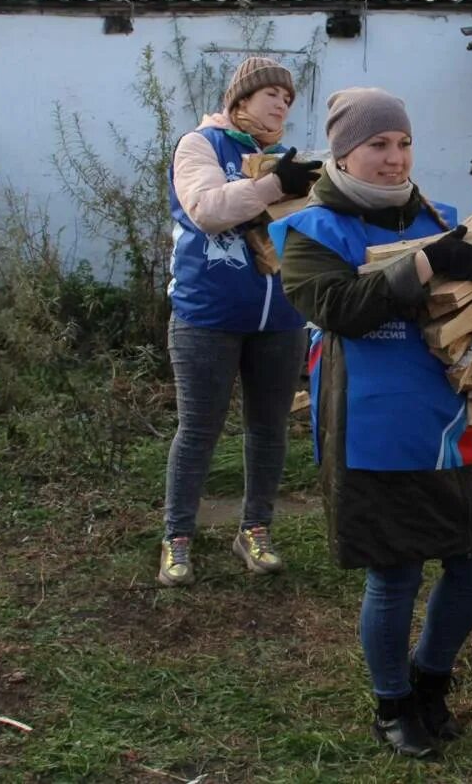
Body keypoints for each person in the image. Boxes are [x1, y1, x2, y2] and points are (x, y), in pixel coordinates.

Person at [269, 87, 472, 759]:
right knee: (396, 574)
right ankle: (391, 703)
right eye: (378, 145)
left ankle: (430, 678)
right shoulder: (311, 232)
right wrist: (429, 260)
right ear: (343, 153)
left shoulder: (439, 219)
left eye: (403, 142)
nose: (394, 157)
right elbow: (341, 308)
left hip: (452, 418)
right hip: (375, 424)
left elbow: (470, 315)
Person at [159, 57, 321, 588]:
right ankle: (177, 537)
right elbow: (206, 208)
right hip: (207, 315)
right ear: (240, 100)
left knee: (269, 429)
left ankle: (255, 529)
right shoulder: (201, 145)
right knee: (199, 430)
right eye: (270, 93)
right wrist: (276, 186)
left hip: (281, 318)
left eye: (287, 98)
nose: (280, 103)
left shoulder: (287, 159)